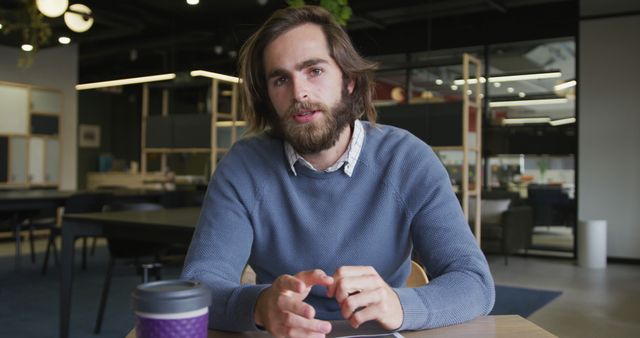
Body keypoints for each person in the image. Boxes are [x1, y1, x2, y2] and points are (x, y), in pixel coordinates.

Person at [182, 5, 494, 337]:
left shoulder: (409, 160)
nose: (299, 93)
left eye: (314, 71)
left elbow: (473, 281)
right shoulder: (243, 167)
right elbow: (197, 287)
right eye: (280, 79)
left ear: (348, 81)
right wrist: (259, 306)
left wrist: (400, 305)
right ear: (268, 96)